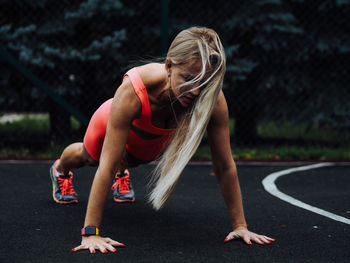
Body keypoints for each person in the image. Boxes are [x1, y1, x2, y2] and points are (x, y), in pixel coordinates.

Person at [49, 26, 275, 254]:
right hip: (108, 120)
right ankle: (61, 169)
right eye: (188, 78)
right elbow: (105, 167)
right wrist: (91, 233)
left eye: (203, 83)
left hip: (149, 138)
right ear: (168, 66)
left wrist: (240, 226)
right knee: (91, 158)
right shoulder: (134, 90)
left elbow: (225, 166)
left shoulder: (212, 100)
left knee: (134, 159)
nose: (196, 91)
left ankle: (123, 169)